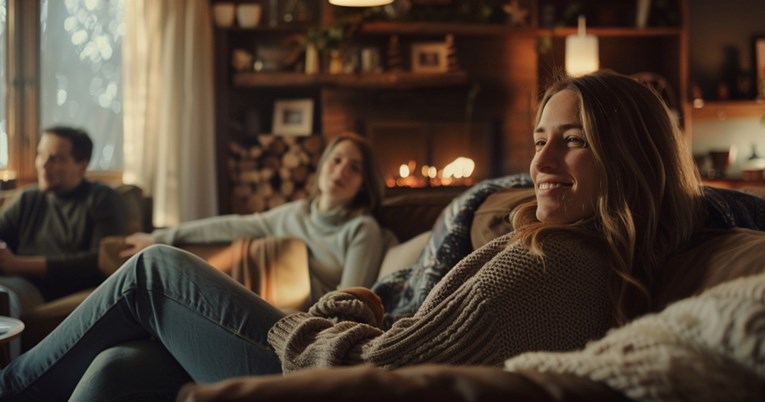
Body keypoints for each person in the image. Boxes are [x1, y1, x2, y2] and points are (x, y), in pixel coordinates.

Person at [0, 71, 707, 401]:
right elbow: (408, 325)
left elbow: (389, 369)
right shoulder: (558, 251)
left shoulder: (550, 267)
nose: (540, 165)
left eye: (572, 143)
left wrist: (326, 312)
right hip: (324, 344)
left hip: (318, 372)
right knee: (121, 371)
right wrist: (360, 304)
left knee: (157, 270)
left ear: (627, 155)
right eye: (538, 141)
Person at [118, 132, 388, 302]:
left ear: (365, 182)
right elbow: (233, 224)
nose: (340, 172)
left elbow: (350, 303)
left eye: (354, 168)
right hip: (262, 301)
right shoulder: (294, 214)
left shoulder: (362, 229)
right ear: (323, 164)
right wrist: (160, 236)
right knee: (162, 264)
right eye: (336, 160)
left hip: (299, 319)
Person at [0, 126, 127, 318]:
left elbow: (100, 260)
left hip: (40, 288)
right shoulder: (27, 199)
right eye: (40, 155)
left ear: (82, 166)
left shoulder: (101, 198)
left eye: (55, 159)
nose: (43, 165)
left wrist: (18, 264)